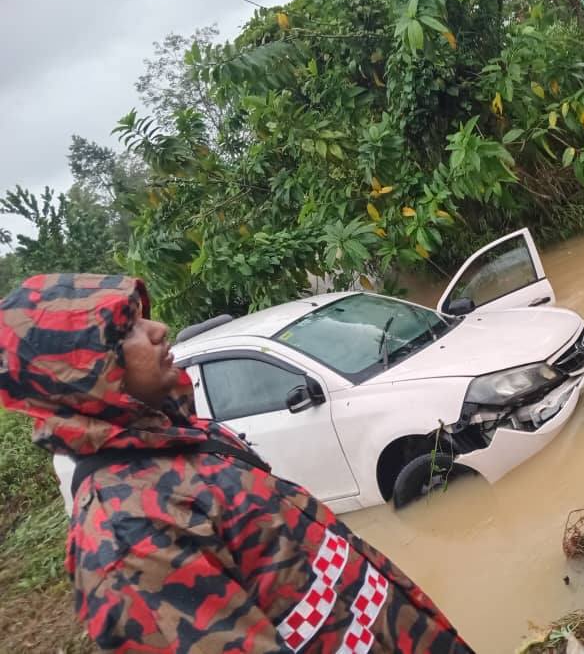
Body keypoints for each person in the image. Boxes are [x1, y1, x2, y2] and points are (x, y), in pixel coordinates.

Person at [0, 273, 473, 653]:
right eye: (128, 330)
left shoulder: (181, 441)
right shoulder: (127, 540)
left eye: (142, 317)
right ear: (87, 375)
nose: (158, 329)